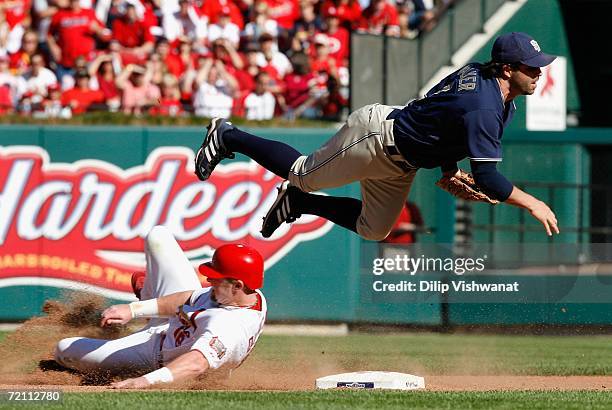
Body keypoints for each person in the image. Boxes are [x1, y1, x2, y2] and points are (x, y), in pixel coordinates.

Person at [193, 32, 561, 240]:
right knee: (303, 173)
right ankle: (228, 135)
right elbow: (488, 179)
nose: (539, 73)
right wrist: (532, 203)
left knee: (374, 229)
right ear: (508, 68)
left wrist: (447, 169)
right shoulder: (484, 104)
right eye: (532, 67)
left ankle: (299, 203)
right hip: (377, 138)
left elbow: (440, 115)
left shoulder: (488, 85)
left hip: (403, 162)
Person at [54, 225, 267, 388]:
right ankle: (149, 296)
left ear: (237, 285)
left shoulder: (229, 328)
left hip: (155, 356)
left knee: (64, 349)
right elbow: (187, 298)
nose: (210, 281)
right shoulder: (245, 295)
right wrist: (133, 310)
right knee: (158, 235)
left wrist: (146, 381)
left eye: (216, 278)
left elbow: (196, 363)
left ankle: (146, 311)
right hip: (174, 327)